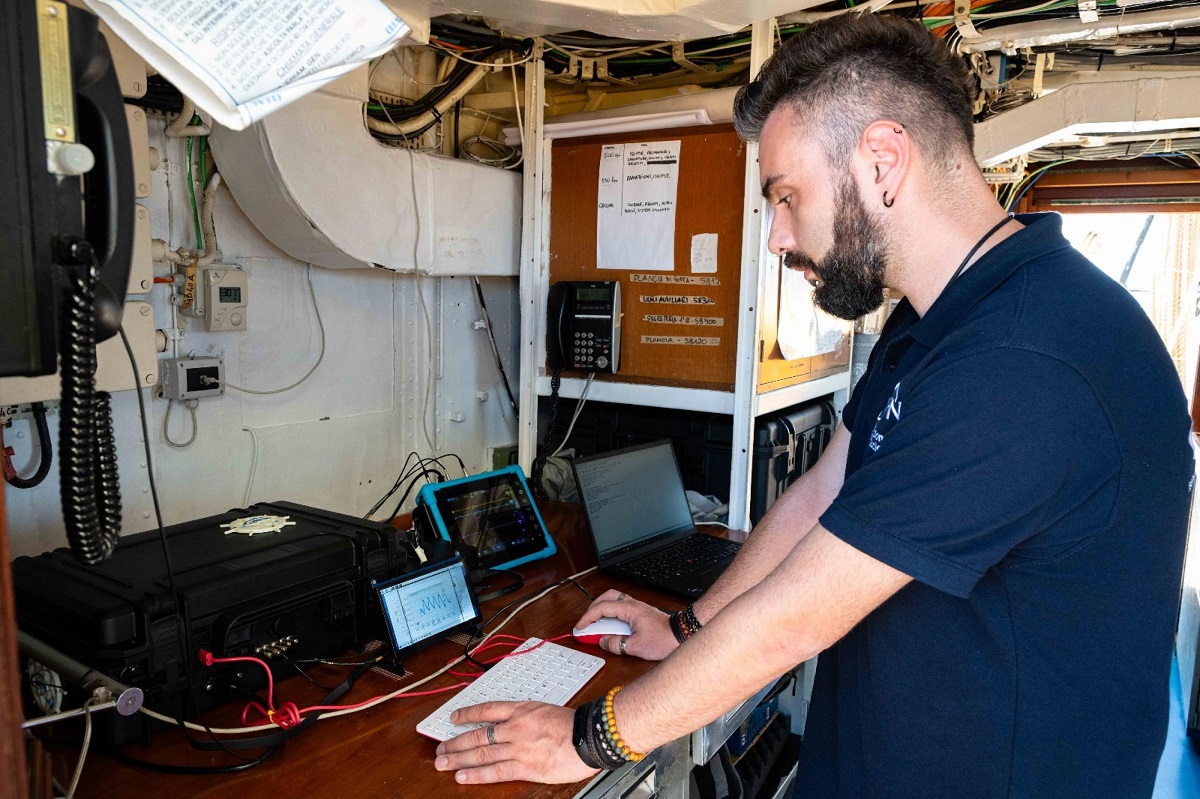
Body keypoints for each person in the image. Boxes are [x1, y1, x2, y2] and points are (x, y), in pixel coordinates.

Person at [433, 13, 1194, 797]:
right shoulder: (936, 318)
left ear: (883, 159)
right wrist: (686, 626)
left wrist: (592, 737)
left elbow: (800, 615)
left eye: (788, 195)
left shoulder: (1030, 356)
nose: (776, 236)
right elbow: (823, 492)